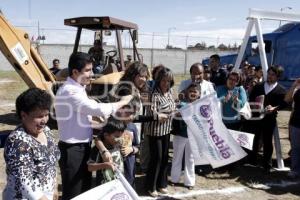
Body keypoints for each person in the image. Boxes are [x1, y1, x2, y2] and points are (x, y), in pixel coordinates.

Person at [54, 52, 132, 200]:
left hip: (81, 147)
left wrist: (100, 124)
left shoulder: (78, 88)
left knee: (84, 191)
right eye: (88, 70)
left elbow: (81, 119)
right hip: (73, 150)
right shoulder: (70, 91)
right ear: (75, 72)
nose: (92, 74)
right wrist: (123, 102)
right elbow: (99, 109)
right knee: (74, 193)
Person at [3, 88, 60, 200]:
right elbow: (25, 183)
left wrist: (55, 187)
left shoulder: (46, 131)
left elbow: (52, 164)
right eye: (39, 116)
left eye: (46, 115)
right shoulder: (17, 141)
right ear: (24, 115)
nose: (44, 121)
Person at [249, 66, 287, 172]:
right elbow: (251, 99)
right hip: (256, 117)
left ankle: (267, 164)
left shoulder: (281, 90)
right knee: (254, 139)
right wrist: (256, 107)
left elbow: (284, 104)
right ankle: (252, 160)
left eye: (273, 74)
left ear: (278, 76)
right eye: (269, 73)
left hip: (269, 119)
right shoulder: (259, 86)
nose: (270, 76)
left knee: (267, 141)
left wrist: (275, 108)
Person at [145, 67, 176, 197]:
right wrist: (167, 113)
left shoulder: (170, 92)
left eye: (168, 81)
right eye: (163, 80)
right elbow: (153, 113)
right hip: (155, 131)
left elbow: (173, 108)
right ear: (158, 80)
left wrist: (167, 113)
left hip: (166, 129)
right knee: (156, 158)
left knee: (164, 158)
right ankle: (150, 186)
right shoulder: (154, 94)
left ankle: (161, 183)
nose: (166, 83)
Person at [170, 83, 200, 190]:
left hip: (193, 136)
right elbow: (173, 114)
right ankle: (174, 179)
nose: (192, 93)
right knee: (177, 157)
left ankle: (190, 182)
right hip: (180, 135)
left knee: (191, 159)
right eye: (190, 91)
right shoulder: (181, 104)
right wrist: (176, 112)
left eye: (195, 91)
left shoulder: (201, 106)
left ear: (199, 94)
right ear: (187, 92)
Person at [88, 117, 126, 185]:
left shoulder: (119, 146)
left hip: (119, 183)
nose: (119, 139)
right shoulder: (97, 149)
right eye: (117, 137)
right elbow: (90, 167)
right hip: (103, 186)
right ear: (106, 135)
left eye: (121, 136)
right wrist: (105, 165)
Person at [284, 78, 300, 178]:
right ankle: (295, 170)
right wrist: (294, 85)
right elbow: (287, 99)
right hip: (295, 122)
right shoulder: (297, 89)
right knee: (295, 148)